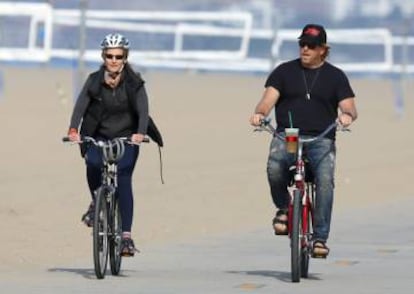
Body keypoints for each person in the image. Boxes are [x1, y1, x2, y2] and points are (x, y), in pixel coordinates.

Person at [249, 24, 357, 258]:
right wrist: (260, 113)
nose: (305, 49)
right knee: (275, 166)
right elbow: (267, 100)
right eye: (302, 44)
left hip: (321, 138)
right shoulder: (284, 72)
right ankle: (284, 209)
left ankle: (319, 238)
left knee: (325, 180)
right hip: (289, 135)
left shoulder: (336, 76)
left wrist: (347, 115)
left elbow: (349, 106)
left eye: (311, 45)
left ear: (323, 50)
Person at [67, 33, 153, 257]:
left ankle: (126, 237)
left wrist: (140, 133)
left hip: (127, 137)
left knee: (123, 176)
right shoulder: (94, 80)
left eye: (118, 56)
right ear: (103, 56)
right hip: (98, 135)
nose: (113, 60)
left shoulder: (134, 82)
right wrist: (74, 130)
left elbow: (143, 111)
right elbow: (80, 107)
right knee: (93, 163)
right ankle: (96, 202)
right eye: (109, 55)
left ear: (125, 58)